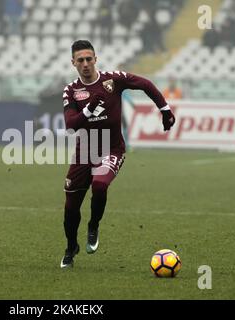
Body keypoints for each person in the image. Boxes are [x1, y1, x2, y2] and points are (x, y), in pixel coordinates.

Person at [60, 40, 175, 268]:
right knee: (71, 208)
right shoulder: (71, 90)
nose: (85, 64)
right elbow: (71, 125)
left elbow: (146, 84)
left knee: (100, 185)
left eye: (88, 59)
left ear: (95, 59)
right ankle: (71, 247)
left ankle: (93, 225)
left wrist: (164, 109)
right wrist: (90, 108)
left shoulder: (113, 80)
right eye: (80, 60)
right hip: (85, 153)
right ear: (73, 63)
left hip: (112, 148)